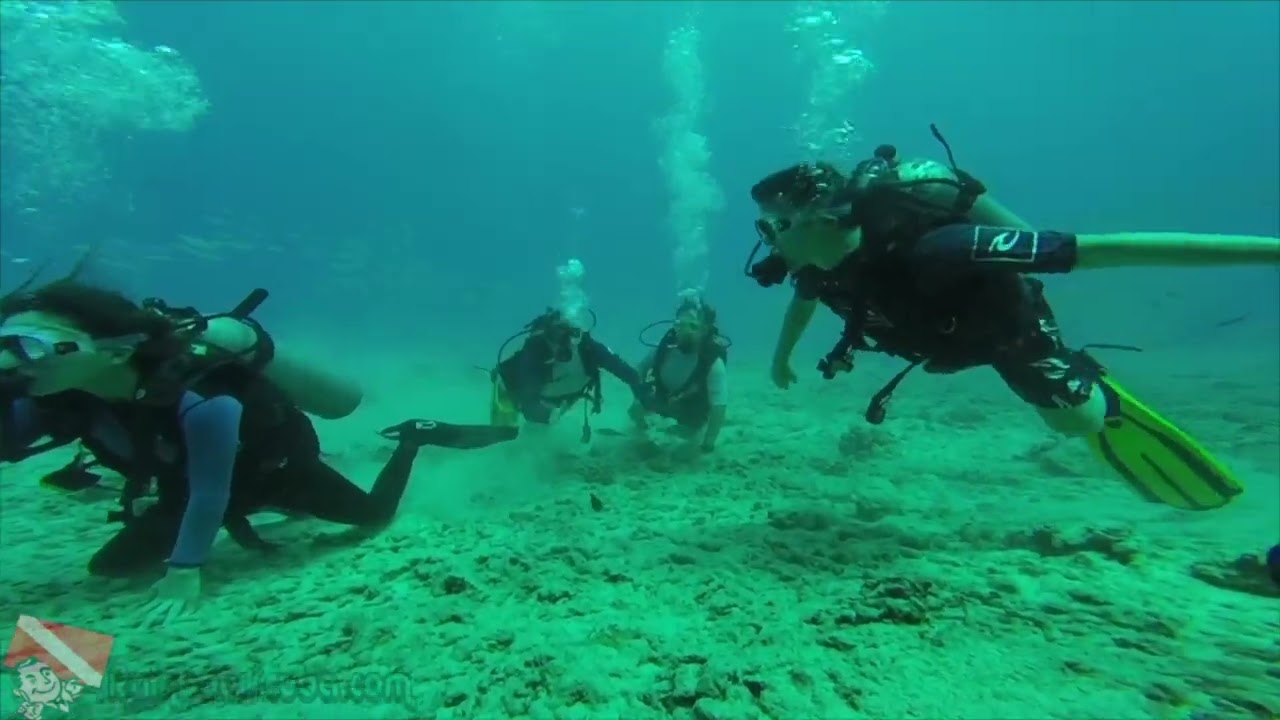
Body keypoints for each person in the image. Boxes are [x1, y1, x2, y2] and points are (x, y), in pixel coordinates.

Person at [746, 124, 1280, 512]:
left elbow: (1101, 250)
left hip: (1006, 333)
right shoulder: (823, 267)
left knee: (1077, 423)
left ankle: (1093, 388)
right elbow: (802, 305)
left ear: (816, 216)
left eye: (773, 226)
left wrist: (1269, 252)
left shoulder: (942, 249)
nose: (766, 243)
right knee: (1066, 423)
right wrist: (781, 360)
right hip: (940, 346)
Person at [0, 278, 518, 624]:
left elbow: (212, 488)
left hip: (277, 471)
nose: (17, 362)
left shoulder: (198, 395)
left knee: (373, 516)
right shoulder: (61, 401)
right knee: (111, 568)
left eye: (32, 346)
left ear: (110, 346)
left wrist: (185, 569)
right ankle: (276, 514)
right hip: (188, 493)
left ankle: (414, 436)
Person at [490, 308, 652, 442]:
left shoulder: (589, 349)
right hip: (536, 396)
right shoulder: (534, 352)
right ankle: (499, 435)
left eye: (567, 335)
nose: (561, 342)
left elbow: (626, 372)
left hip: (562, 396)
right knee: (512, 404)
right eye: (554, 336)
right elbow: (527, 395)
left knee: (544, 423)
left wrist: (642, 399)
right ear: (545, 335)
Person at [629, 297, 730, 455]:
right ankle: (642, 432)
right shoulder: (664, 349)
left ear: (704, 330)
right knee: (635, 410)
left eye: (692, 326)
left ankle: (692, 433)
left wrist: (708, 444)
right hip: (663, 397)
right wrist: (639, 394)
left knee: (685, 440)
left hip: (693, 408)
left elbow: (719, 406)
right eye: (679, 325)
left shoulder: (713, 362)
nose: (683, 332)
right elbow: (639, 370)